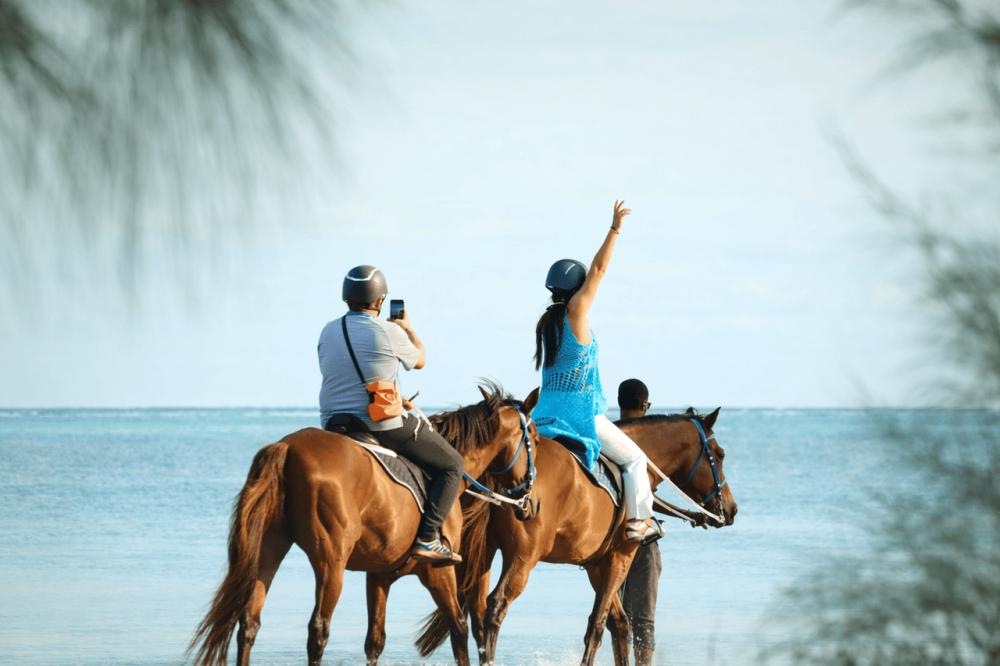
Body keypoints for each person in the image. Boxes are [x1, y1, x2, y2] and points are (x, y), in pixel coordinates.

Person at [531, 200, 663, 544]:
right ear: (576, 290)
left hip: (542, 416)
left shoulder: (548, 323)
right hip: (580, 416)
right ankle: (639, 522)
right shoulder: (575, 315)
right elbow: (599, 270)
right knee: (635, 460)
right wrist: (615, 228)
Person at [317, 265, 463, 565]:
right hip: (378, 421)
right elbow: (420, 361)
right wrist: (408, 328)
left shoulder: (328, 329)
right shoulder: (389, 330)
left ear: (347, 298)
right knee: (452, 465)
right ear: (380, 301)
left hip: (332, 422)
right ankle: (428, 538)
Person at [617, 378, 661, 666]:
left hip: (609, 540)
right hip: (642, 542)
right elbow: (645, 498)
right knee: (643, 618)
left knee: (617, 617)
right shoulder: (648, 442)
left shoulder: (610, 436)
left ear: (620, 405)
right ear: (645, 405)